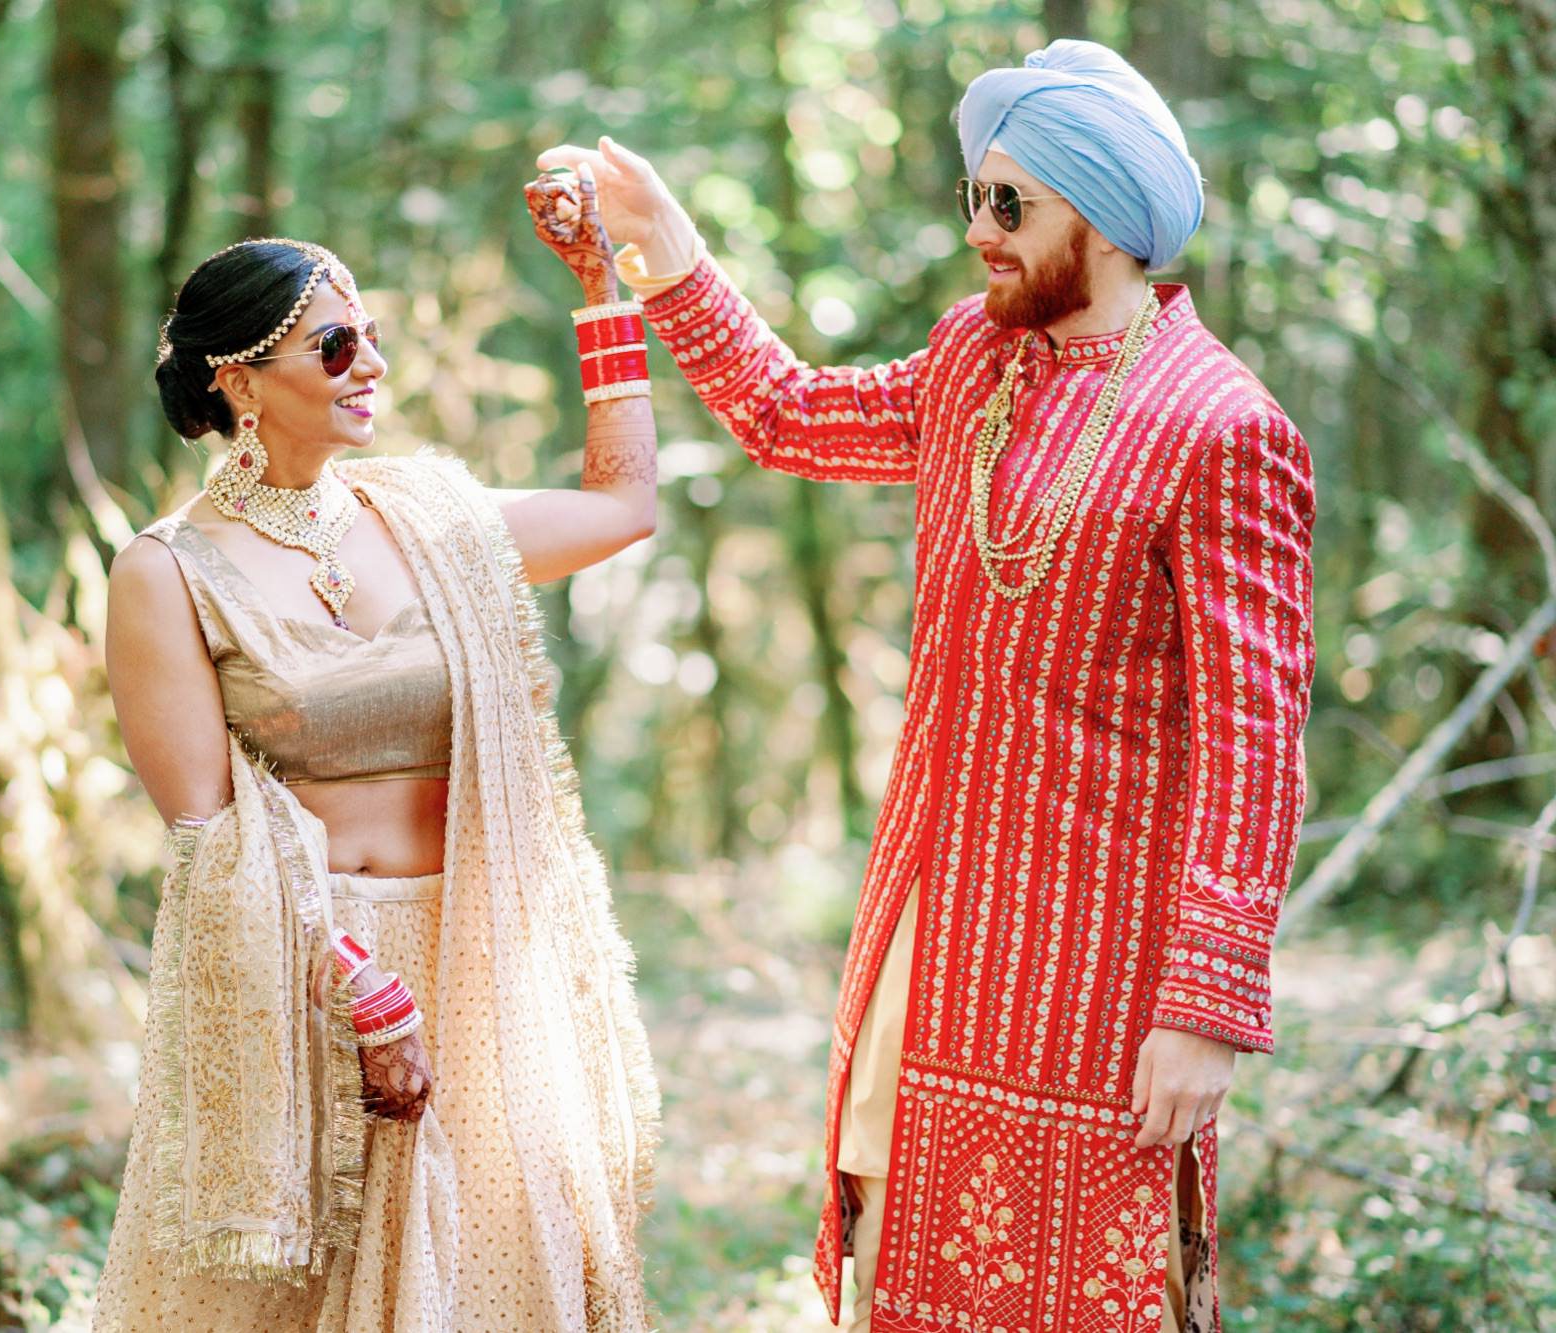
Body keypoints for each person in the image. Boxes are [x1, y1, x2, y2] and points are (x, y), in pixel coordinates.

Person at [542, 38, 1315, 1333]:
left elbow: (1255, 740)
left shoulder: (1225, 427)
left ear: (1111, 217)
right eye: (973, 197)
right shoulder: (976, 359)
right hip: (934, 921)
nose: (980, 231)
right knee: (904, 1259)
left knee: (1083, 1292)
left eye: (1011, 204)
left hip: (1099, 966)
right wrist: (666, 252)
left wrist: (1211, 1006)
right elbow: (788, 415)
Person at [90, 173, 660, 1332]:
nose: (370, 368)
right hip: (314, 970)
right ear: (238, 380)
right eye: (335, 344)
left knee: (496, 1283)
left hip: (480, 958)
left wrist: (601, 294)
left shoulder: (429, 518)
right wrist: (357, 988)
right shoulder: (166, 572)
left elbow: (623, 506)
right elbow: (209, 837)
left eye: (372, 339)